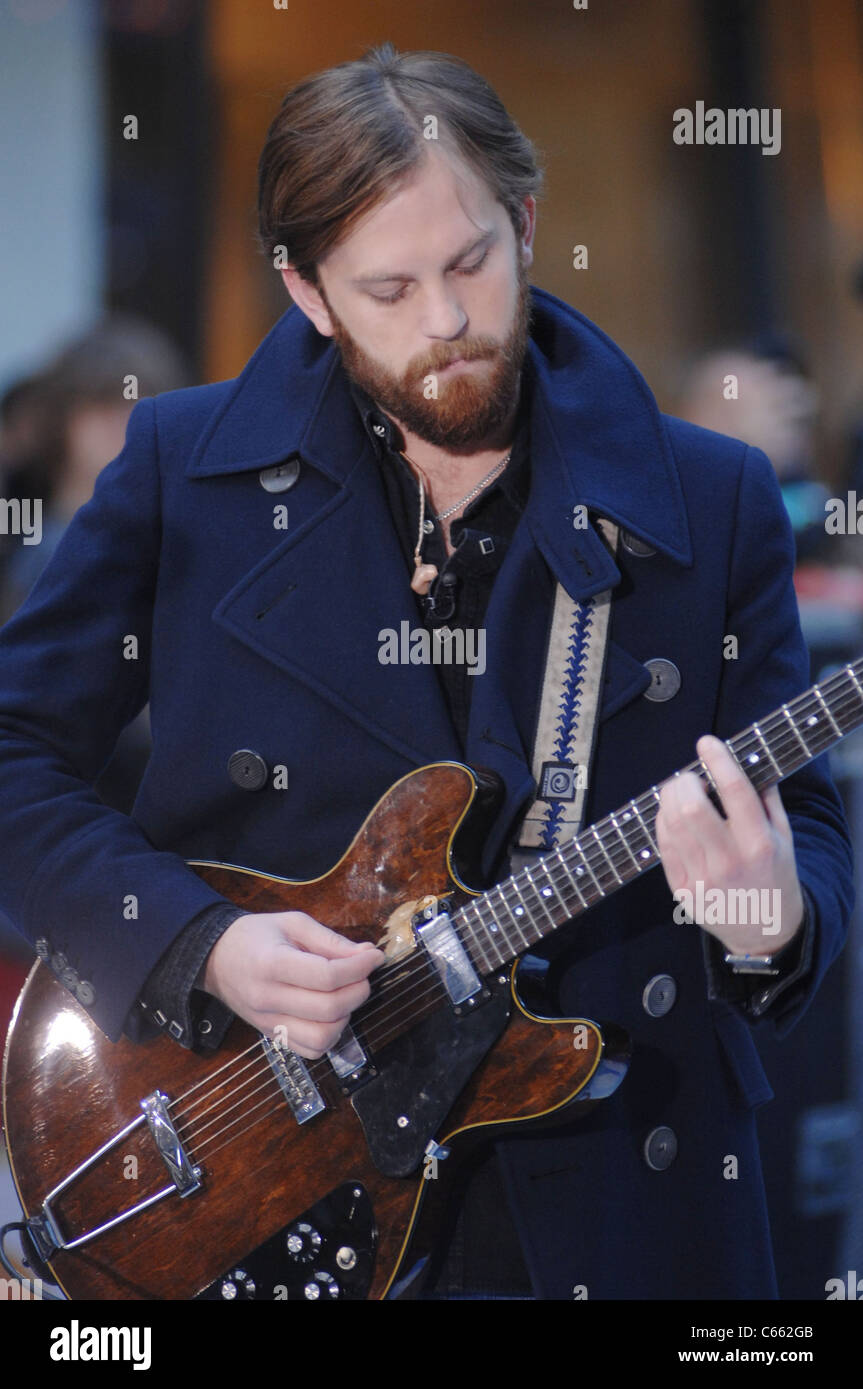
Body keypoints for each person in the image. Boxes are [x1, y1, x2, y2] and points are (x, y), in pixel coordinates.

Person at [0, 43, 853, 1301]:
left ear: (522, 222)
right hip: (254, 1167)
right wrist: (201, 945)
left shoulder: (703, 497)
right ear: (307, 294)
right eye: (387, 289)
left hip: (621, 1189)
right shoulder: (185, 471)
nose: (446, 323)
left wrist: (766, 914)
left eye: (469, 264)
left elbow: (811, 833)